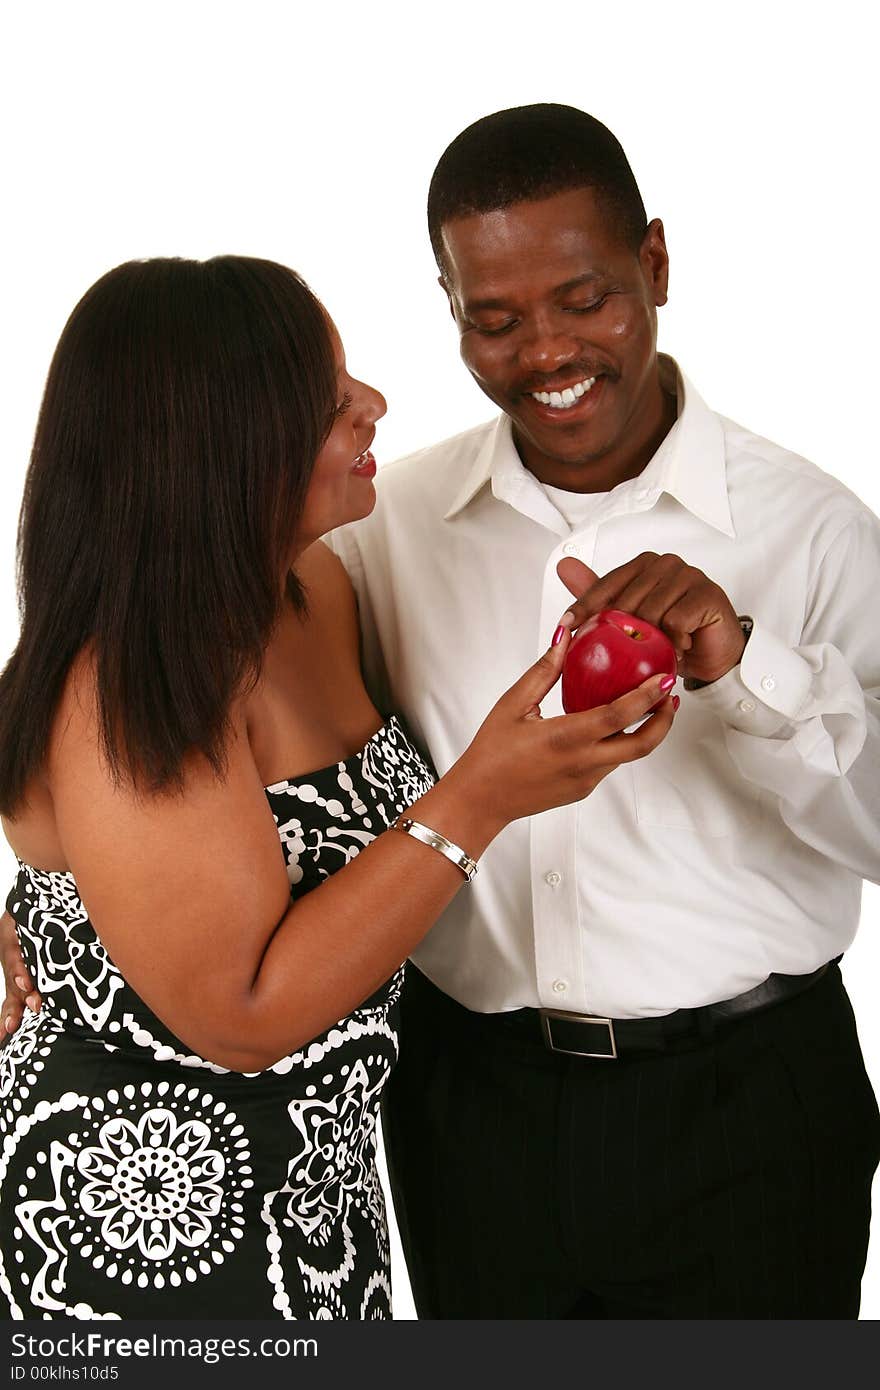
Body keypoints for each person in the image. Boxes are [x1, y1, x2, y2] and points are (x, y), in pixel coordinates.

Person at [0, 254, 677, 1320]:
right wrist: (481, 798)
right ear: (223, 451)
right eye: (326, 402)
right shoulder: (125, 679)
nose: (373, 405)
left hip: (317, 1202)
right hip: (140, 1233)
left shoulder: (308, 584)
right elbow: (243, 1015)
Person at [324, 104, 880, 1318]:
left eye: (584, 299)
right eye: (494, 318)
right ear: (451, 310)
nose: (546, 351)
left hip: (757, 1111)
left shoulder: (814, 525)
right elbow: (233, 722)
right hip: (471, 1104)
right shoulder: (385, 528)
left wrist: (743, 664)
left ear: (657, 266)